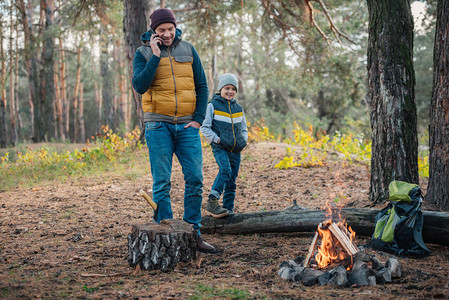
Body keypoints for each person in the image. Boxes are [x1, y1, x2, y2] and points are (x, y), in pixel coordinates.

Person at [132, 8, 215, 253]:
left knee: (195, 179)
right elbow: (139, 85)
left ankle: (193, 233)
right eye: (161, 30)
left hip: (188, 125)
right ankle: (166, 233)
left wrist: (199, 119)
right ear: (153, 32)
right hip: (158, 125)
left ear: (175, 27)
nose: (167, 34)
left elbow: (201, 84)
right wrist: (155, 55)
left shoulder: (188, 49)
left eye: (170, 29)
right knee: (162, 183)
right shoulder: (143, 52)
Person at [200, 74, 248, 218]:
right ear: (221, 88)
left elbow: (244, 128)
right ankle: (212, 201)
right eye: (227, 88)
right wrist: (217, 139)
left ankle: (228, 208)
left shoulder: (238, 108)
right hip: (220, 147)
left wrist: (243, 140)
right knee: (225, 170)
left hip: (235, 149)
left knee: (232, 178)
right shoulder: (212, 105)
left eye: (233, 89)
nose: (230, 91)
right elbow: (204, 127)